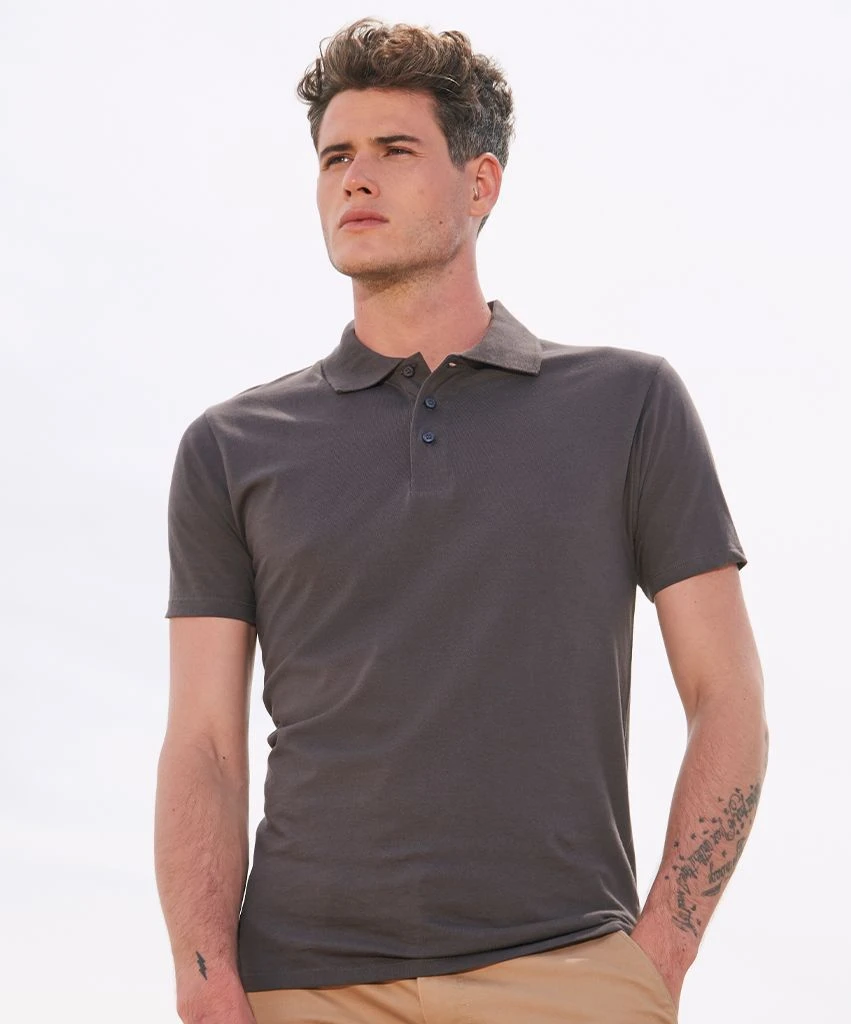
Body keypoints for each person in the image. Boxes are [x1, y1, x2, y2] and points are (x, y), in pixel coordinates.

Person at [154, 17, 769, 1024]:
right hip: (303, 983)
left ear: (480, 184)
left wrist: (660, 953)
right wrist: (205, 977)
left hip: (568, 975)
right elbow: (204, 747)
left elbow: (727, 695)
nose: (356, 179)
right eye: (335, 157)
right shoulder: (230, 447)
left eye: (395, 150)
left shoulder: (628, 405)